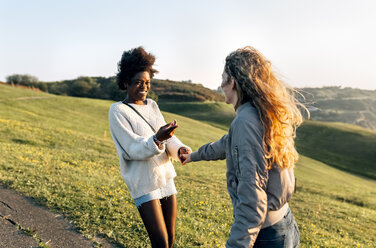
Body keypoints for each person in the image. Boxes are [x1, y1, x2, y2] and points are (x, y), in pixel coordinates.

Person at [181, 46, 306, 248]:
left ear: (233, 81)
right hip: (284, 224)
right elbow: (227, 143)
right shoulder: (260, 113)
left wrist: (236, 245)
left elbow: (252, 195)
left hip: (267, 236)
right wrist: (194, 156)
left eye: (223, 77)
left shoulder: (245, 122)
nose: (220, 84)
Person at [109, 47, 191, 248]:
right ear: (126, 82)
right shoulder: (118, 110)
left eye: (147, 82)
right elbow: (132, 148)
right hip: (143, 183)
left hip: (165, 177)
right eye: (138, 82)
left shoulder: (152, 105)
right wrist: (157, 139)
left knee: (170, 239)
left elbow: (167, 138)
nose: (144, 87)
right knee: (160, 243)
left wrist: (178, 148)